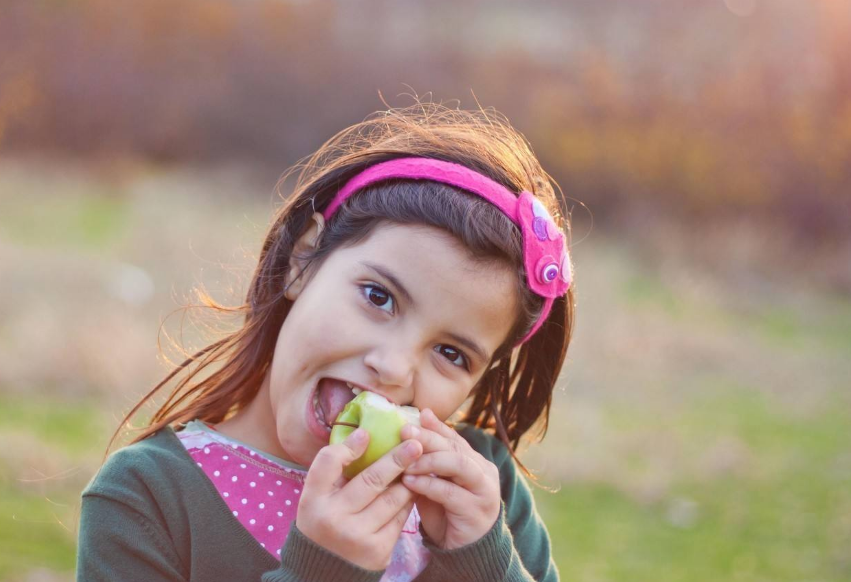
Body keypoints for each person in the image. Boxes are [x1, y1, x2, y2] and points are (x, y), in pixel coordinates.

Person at [76, 102, 576, 581]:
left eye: (451, 353)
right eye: (379, 297)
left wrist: (484, 566)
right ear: (303, 259)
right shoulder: (148, 498)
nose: (396, 368)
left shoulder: (483, 494)